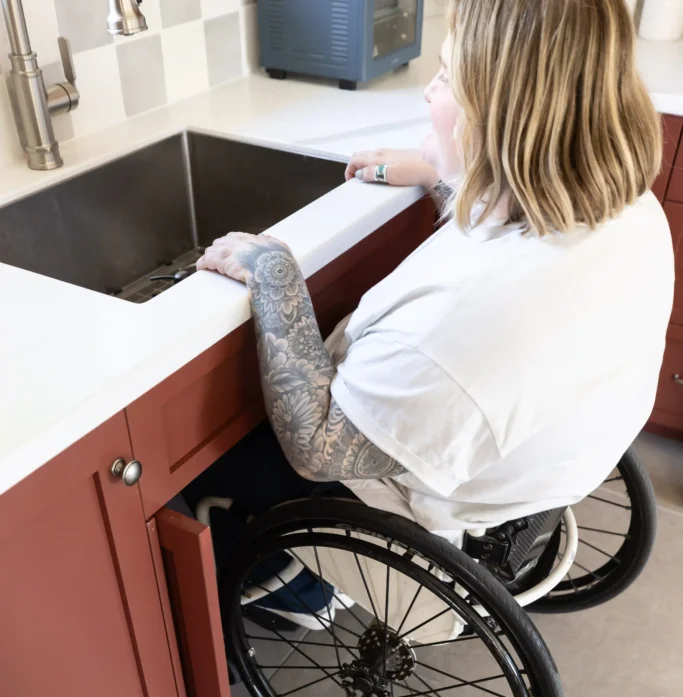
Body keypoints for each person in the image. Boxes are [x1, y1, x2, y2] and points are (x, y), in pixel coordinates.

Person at [187, 0, 674, 629]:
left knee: (204, 459)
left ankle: (296, 592)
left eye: (446, 78)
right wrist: (449, 170)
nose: (427, 91)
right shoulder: (629, 210)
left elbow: (318, 454)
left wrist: (276, 276)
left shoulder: (467, 326)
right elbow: (508, 233)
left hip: (420, 520)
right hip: (531, 484)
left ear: (497, 115)